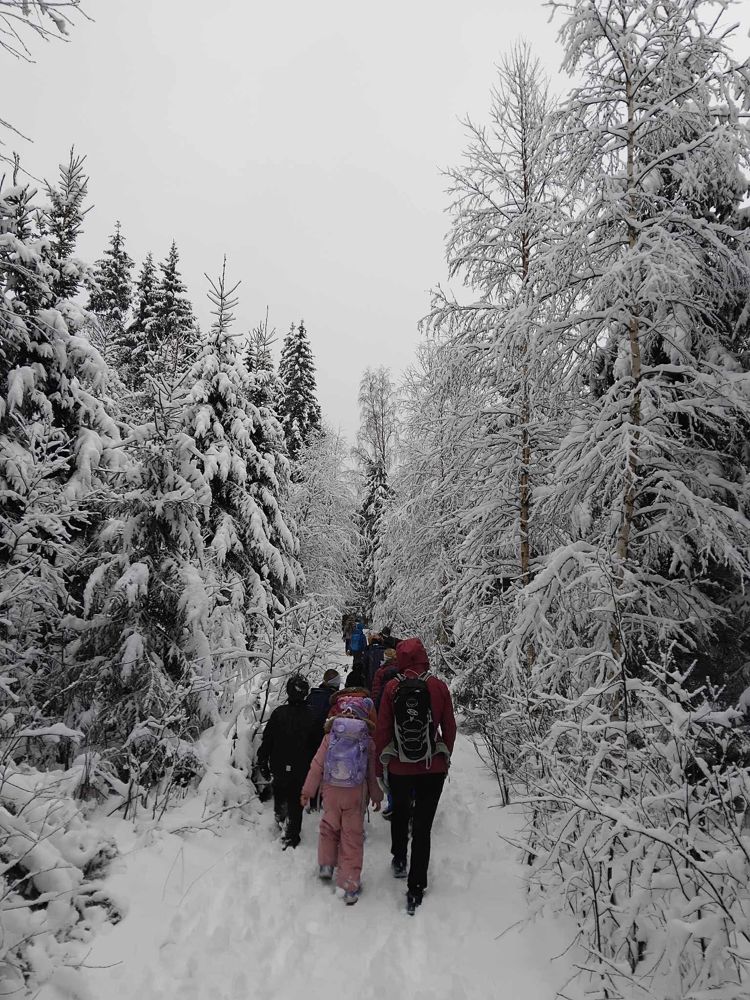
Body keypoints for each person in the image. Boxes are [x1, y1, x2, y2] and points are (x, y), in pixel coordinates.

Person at [375, 637, 456, 914]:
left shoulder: (392, 687)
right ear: (424, 656)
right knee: (422, 827)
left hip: (399, 767)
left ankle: (399, 859)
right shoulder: (438, 686)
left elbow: (382, 730)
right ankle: (415, 888)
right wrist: (445, 757)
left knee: (400, 813)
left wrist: (379, 767)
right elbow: (450, 727)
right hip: (431, 768)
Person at [301, 696, 383, 905]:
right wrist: (376, 795)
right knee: (352, 839)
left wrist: (308, 791)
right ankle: (349, 885)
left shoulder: (330, 736)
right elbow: (370, 773)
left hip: (330, 791)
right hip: (355, 794)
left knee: (328, 828)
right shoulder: (367, 740)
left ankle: (326, 866)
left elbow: (317, 765)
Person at [257, 675, 318, 850]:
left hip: (280, 766)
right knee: (295, 799)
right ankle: (291, 834)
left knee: (281, 793)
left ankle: (282, 820)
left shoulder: (279, 713)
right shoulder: (312, 715)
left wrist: (263, 761)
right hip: (302, 768)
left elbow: (267, 740)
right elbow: (318, 746)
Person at [305, 669, 343, 809]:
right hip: (325, 740)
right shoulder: (333, 700)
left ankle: (312, 802)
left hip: (309, 739)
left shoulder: (312, 695)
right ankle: (321, 801)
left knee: (313, 769)